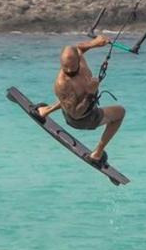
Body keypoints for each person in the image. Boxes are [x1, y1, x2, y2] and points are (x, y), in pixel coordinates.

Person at [33, 35, 128, 166]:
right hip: (81, 118)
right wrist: (90, 93)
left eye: (72, 67)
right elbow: (75, 114)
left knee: (72, 96)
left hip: (74, 102)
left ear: (78, 59)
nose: (69, 71)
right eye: (65, 67)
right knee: (120, 112)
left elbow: (78, 48)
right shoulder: (62, 83)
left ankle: (45, 111)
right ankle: (97, 153)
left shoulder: (79, 58)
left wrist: (95, 43)